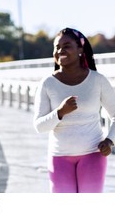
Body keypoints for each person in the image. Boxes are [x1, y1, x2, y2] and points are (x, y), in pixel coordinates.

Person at [33, 27, 115, 193]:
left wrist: (110, 141)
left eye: (66, 46)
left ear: (80, 50)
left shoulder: (97, 80)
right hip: (59, 157)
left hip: (93, 155)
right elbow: (39, 126)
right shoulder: (47, 83)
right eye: (57, 47)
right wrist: (60, 112)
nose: (60, 50)